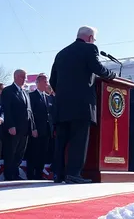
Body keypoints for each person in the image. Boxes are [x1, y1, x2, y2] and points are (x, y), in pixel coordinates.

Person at [49, 26, 115, 184]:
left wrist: (63, 94)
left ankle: (58, 174)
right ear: (91, 38)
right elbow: (97, 68)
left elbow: (52, 80)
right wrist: (111, 75)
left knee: (62, 140)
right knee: (79, 139)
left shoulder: (61, 53)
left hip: (62, 105)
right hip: (82, 105)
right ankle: (73, 174)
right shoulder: (89, 48)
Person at [1, 69, 36, 181]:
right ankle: (9, 174)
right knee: (11, 152)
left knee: (20, 153)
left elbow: (29, 111)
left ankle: (15, 173)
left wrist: (33, 127)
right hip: (14, 128)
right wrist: (11, 125)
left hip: (25, 129)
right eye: (22, 77)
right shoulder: (8, 91)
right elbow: (7, 109)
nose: (25, 79)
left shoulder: (25, 92)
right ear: (15, 76)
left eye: (25, 77)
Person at [27, 73, 51, 180]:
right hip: (36, 130)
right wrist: (33, 128)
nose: (47, 83)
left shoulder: (48, 97)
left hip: (46, 130)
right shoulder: (31, 96)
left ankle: (39, 174)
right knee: (34, 153)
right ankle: (31, 174)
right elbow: (30, 113)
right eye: (45, 81)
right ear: (38, 82)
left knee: (43, 153)